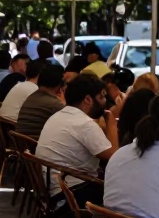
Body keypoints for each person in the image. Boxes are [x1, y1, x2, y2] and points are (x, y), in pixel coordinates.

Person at [36, 72, 122, 205]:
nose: (104, 102)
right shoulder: (84, 123)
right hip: (70, 195)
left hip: (54, 189)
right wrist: (111, 123)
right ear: (88, 99)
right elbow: (114, 156)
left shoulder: (59, 115)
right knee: (123, 190)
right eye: (101, 97)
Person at [16, 64, 66, 139]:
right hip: (35, 146)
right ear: (59, 86)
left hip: (20, 144)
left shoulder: (31, 97)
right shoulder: (55, 104)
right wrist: (64, 103)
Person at [0, 57, 43, 122]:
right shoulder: (35, 89)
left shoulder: (19, 84)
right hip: (14, 127)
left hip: (2, 123)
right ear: (40, 75)